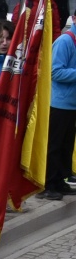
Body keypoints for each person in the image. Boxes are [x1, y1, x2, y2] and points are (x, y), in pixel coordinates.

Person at [43, 12, 76, 200]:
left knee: (66, 145)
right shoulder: (65, 41)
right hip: (59, 103)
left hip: (71, 104)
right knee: (54, 145)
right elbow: (55, 71)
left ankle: (60, 180)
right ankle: (48, 184)